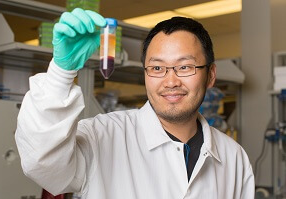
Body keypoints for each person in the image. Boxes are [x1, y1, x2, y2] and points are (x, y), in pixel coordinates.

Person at [15, 8, 255, 199]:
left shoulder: (233, 157)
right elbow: (42, 163)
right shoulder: (102, 136)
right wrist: (61, 73)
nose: (170, 81)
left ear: (210, 75)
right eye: (157, 68)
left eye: (185, 67)